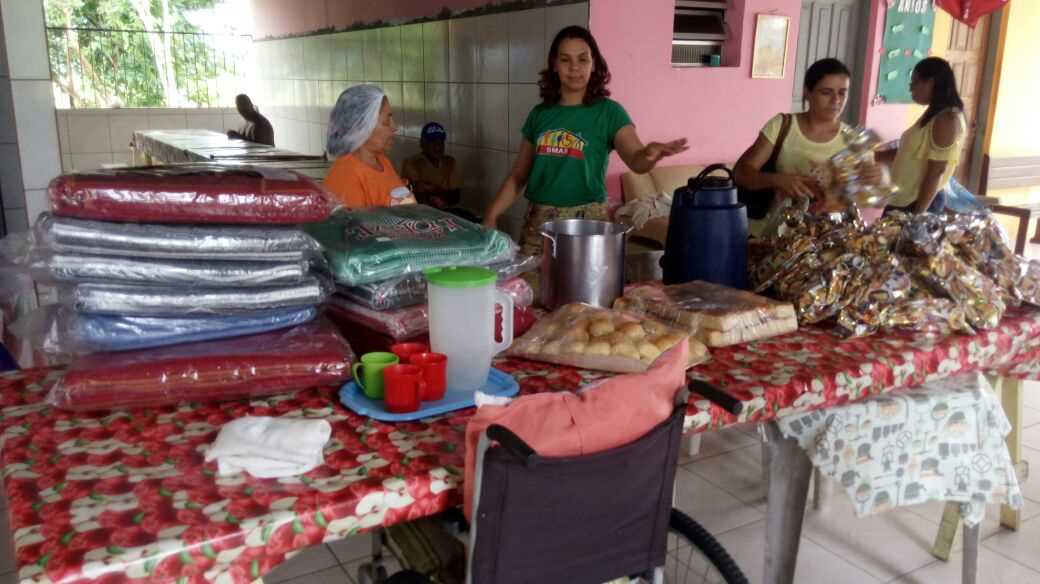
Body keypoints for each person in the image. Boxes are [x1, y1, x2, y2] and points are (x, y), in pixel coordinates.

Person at [481, 25, 687, 258]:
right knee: (531, 281)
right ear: (554, 65)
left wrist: (649, 155)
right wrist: (491, 213)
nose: (574, 67)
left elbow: (636, 161)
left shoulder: (609, 112)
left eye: (583, 59)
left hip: (589, 224)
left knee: (586, 283)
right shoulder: (540, 114)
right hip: (539, 224)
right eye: (565, 60)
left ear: (594, 64)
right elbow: (518, 176)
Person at [734, 58, 880, 235]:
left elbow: (868, 198)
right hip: (776, 233)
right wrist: (776, 179)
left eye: (842, 93)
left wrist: (872, 181)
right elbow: (742, 173)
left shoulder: (856, 140)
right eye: (826, 92)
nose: (836, 100)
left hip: (829, 237)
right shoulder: (782, 126)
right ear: (807, 92)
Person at [879, 57, 967, 214]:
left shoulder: (946, 119)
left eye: (914, 82)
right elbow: (910, 153)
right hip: (902, 200)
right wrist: (871, 155)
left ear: (931, 83)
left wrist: (917, 216)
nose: (910, 88)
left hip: (916, 204)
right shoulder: (934, 114)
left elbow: (936, 173)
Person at [324, 85, 412, 209]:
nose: (395, 127)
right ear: (361, 127)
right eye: (386, 121)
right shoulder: (346, 175)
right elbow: (352, 221)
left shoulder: (383, 161)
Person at [401, 122, 463, 209]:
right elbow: (417, 196)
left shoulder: (450, 162)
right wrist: (441, 192)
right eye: (433, 143)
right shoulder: (412, 163)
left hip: (447, 212)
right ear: (422, 143)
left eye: (441, 143)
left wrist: (433, 190)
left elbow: (455, 196)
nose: (438, 147)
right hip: (421, 212)